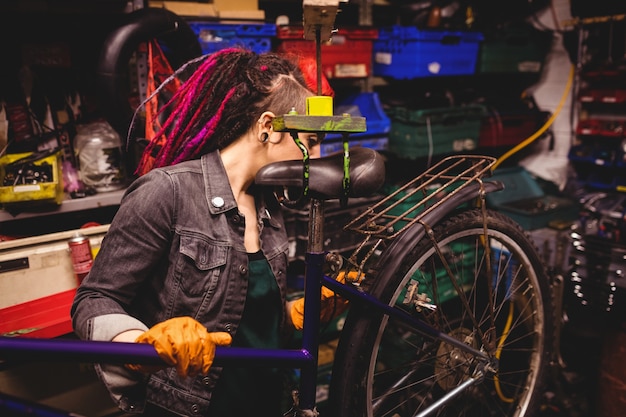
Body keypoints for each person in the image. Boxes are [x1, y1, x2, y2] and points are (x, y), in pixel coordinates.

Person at [70, 48, 346, 416]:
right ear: (267, 128)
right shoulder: (167, 192)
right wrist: (140, 344)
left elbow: (248, 321)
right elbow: (94, 299)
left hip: (268, 402)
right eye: (310, 141)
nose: (314, 156)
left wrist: (295, 315)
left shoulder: (272, 206)